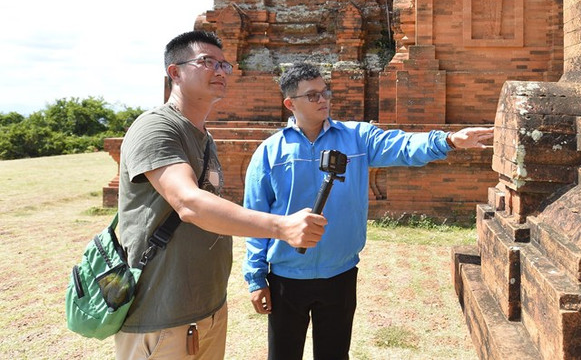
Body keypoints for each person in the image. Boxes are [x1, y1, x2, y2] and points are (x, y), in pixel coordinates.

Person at [243, 61, 494, 360]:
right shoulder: (270, 152)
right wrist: (256, 279)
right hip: (287, 277)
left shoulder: (356, 138)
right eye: (312, 96)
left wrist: (449, 140)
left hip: (340, 274)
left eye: (325, 92)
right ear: (289, 104)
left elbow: (402, 145)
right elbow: (255, 218)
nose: (323, 100)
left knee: (335, 355)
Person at [115, 31, 327, 360]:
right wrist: (280, 227)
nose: (220, 71)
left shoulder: (203, 136)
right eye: (207, 62)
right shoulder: (156, 128)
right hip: (161, 317)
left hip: (207, 309)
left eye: (224, 65)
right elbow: (188, 203)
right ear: (175, 72)